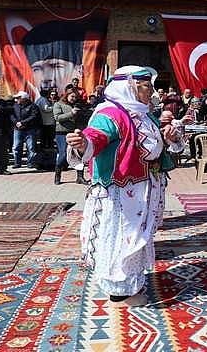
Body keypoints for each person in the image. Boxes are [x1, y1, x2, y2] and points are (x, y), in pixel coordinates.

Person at [65, 65, 180, 306]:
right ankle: (119, 291)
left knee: (136, 236)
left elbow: (150, 144)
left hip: (142, 188)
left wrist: (167, 139)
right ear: (130, 87)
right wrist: (81, 142)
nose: (152, 92)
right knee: (120, 235)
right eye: (147, 87)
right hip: (120, 191)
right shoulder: (110, 114)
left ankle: (130, 283)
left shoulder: (143, 113)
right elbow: (95, 137)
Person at [53, 89, 88, 185]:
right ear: (66, 95)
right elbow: (57, 117)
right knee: (63, 154)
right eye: (72, 96)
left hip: (75, 132)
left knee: (79, 154)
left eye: (75, 97)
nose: (74, 99)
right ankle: (57, 175)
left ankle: (80, 177)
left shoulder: (77, 105)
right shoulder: (58, 104)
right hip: (62, 133)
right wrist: (71, 113)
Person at [11, 91, 41, 168]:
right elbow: (11, 115)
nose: (16, 99)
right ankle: (17, 163)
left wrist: (23, 123)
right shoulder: (15, 106)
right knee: (16, 146)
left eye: (18, 98)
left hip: (30, 129)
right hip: (17, 129)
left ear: (24, 98)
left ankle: (30, 163)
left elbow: (34, 116)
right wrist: (16, 123)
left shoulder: (33, 106)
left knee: (31, 147)